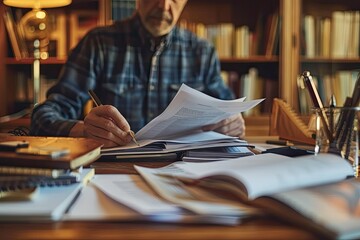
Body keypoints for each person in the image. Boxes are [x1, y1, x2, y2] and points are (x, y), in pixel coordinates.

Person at [30, 0, 246, 148]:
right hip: (113, 171)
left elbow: (228, 111)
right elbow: (43, 116)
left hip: (184, 172)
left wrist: (233, 122)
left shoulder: (202, 51)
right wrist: (82, 130)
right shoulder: (99, 43)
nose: (164, 7)